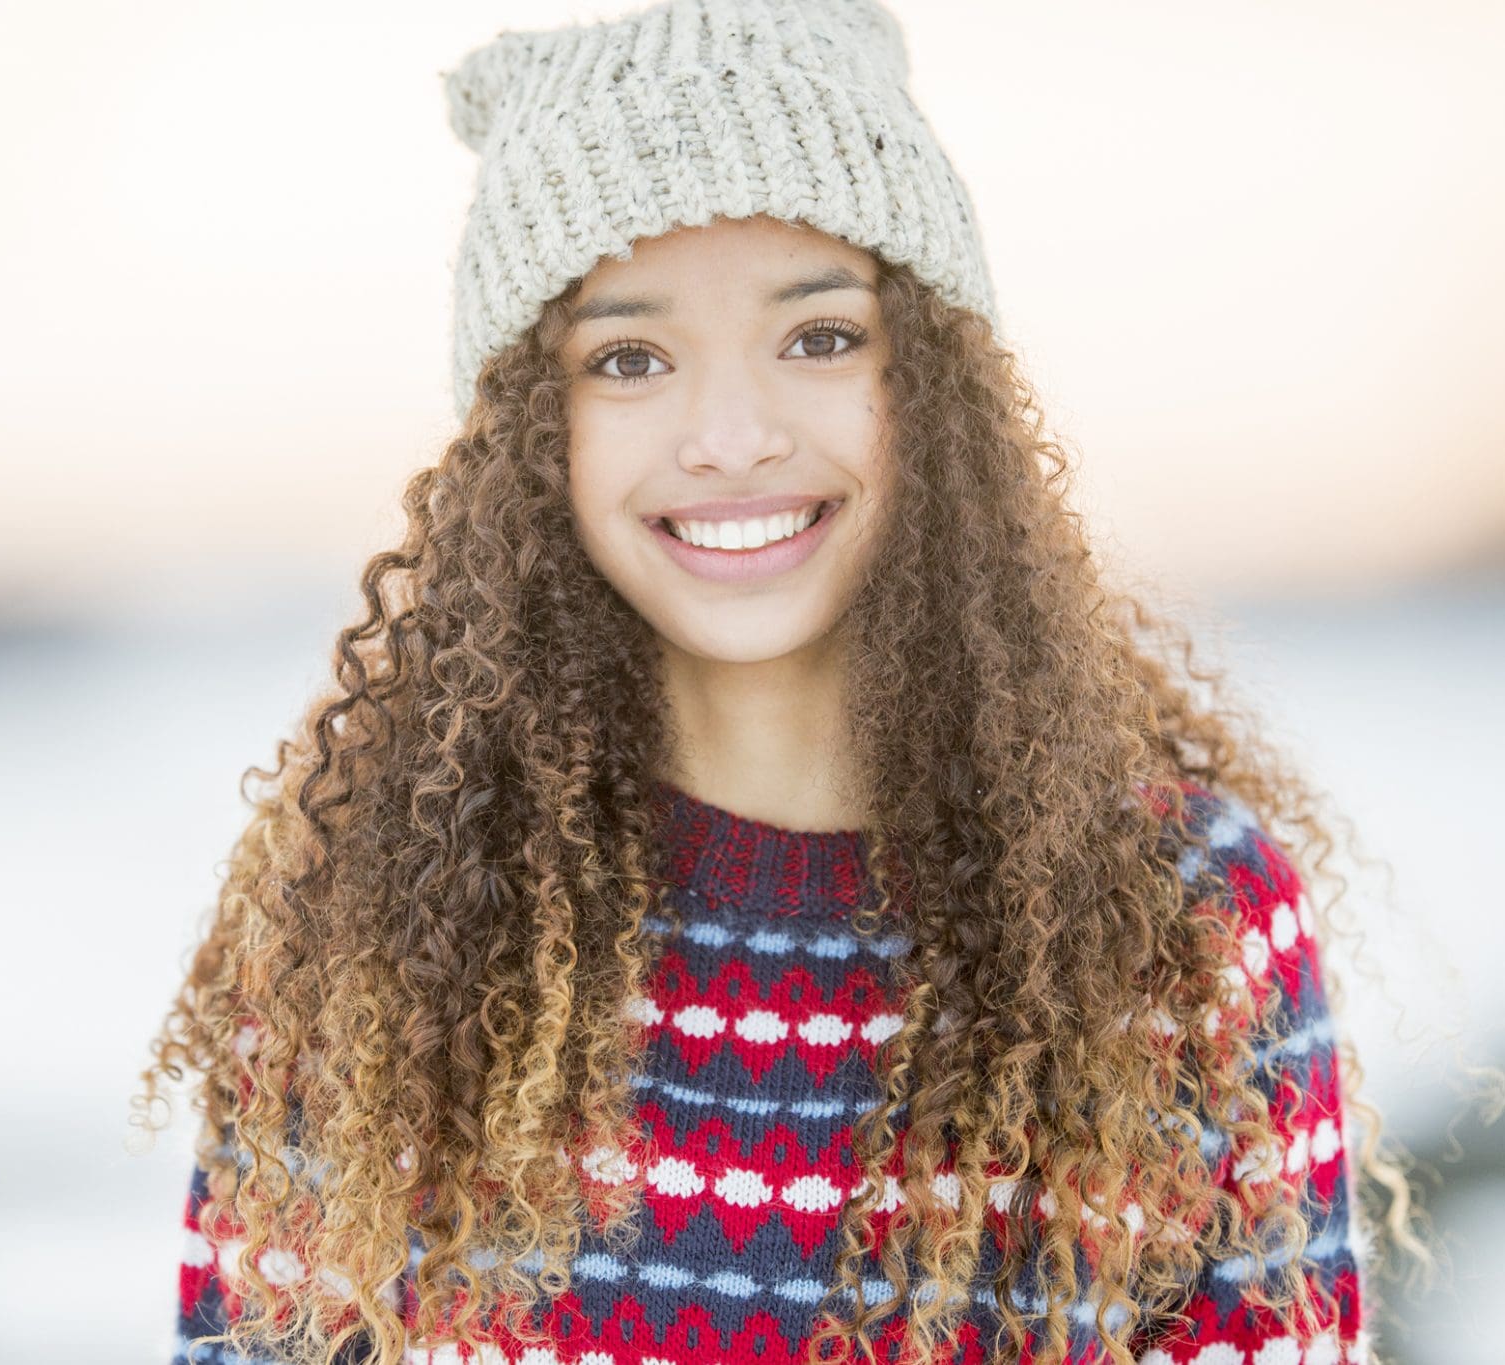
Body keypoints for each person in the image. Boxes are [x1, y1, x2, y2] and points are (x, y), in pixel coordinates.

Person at [133, 2, 1409, 1361]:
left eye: (819, 338)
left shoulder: (1185, 925)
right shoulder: (369, 937)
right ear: (530, 438)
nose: (732, 437)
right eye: (629, 359)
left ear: (934, 382)